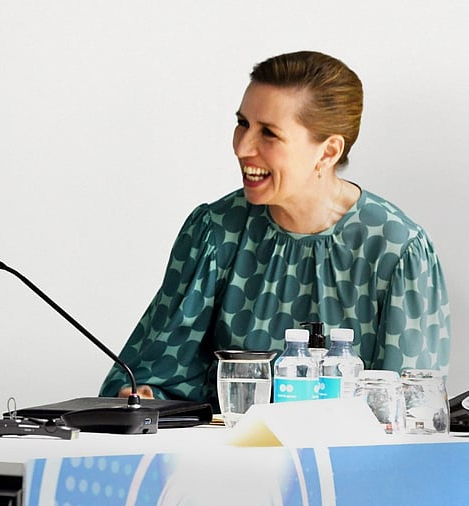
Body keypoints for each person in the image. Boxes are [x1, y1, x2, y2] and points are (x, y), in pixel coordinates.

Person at [100, 51, 450, 409]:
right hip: (226, 459)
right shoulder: (215, 232)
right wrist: (141, 394)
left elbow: (410, 411)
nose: (242, 147)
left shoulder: (397, 250)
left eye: (268, 133)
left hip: (350, 463)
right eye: (242, 123)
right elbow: (154, 370)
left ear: (328, 152)